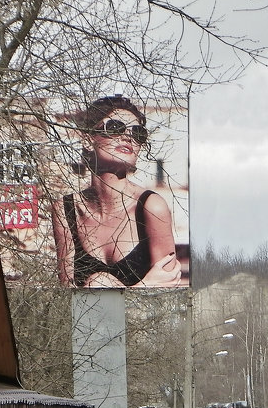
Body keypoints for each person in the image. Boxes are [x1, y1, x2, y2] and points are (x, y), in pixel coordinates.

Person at [52, 94, 181, 288]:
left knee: (99, 281)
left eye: (137, 133)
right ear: (88, 140)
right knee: (98, 282)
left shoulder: (151, 207)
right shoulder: (66, 210)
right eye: (115, 127)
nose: (128, 137)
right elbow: (67, 293)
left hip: (142, 317)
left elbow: (167, 290)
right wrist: (142, 286)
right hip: (84, 317)